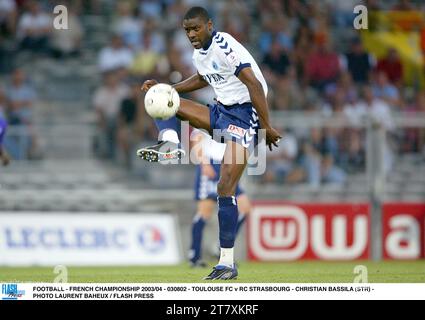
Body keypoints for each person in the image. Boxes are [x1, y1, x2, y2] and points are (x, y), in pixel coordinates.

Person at [137, 7, 281, 280]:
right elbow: (204, 78)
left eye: (196, 28)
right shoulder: (199, 54)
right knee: (160, 96)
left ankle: (226, 262)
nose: (191, 34)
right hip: (221, 111)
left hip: (244, 114)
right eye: (187, 30)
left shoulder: (224, 44)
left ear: (209, 25)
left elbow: (254, 85)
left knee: (225, 184)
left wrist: (266, 125)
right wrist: (170, 88)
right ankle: (169, 143)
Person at [189, 129, 251, 267]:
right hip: (211, 164)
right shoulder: (210, 113)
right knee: (204, 213)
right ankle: (194, 256)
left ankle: (220, 247)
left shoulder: (232, 118)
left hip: (227, 166)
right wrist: (204, 164)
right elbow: (196, 138)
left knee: (244, 208)